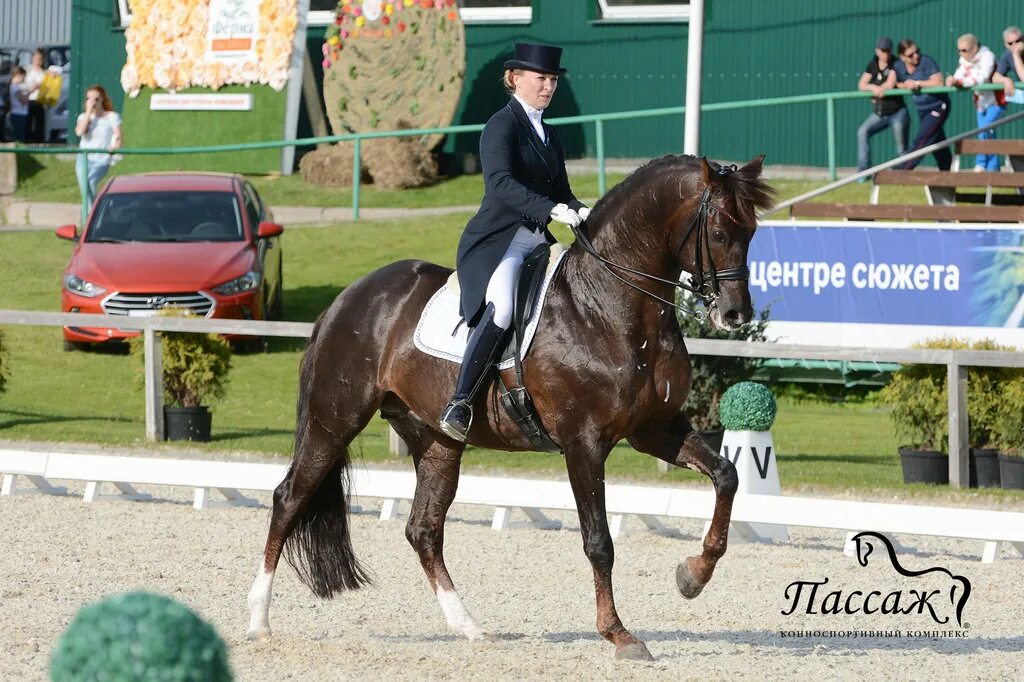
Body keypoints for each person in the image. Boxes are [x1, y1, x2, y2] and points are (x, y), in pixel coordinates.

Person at [438, 42, 590, 442]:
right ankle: (460, 400)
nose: (548, 86)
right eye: (541, 78)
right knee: (503, 306)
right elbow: (500, 185)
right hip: (499, 241)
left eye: (553, 80)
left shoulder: (550, 134)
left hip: (538, 239)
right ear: (515, 79)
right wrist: (550, 209)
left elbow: (562, 190)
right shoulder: (500, 126)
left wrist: (582, 211)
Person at [946, 33, 1005, 172]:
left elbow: (982, 79)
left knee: (983, 130)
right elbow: (958, 76)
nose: (961, 53)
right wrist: (952, 80)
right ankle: (993, 168)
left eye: (964, 50)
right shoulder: (964, 60)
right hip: (980, 102)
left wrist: (960, 82)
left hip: (997, 100)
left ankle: (981, 163)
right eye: (959, 50)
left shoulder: (987, 56)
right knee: (989, 133)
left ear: (975, 48)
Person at [893, 38, 952, 171]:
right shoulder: (898, 66)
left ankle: (904, 168)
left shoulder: (926, 61)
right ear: (902, 57)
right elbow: (896, 82)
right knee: (936, 140)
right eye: (910, 55)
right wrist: (904, 85)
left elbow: (939, 81)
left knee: (923, 138)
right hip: (922, 109)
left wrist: (917, 83)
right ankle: (946, 170)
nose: (916, 56)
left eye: (917, 52)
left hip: (938, 105)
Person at [856, 36, 909, 179]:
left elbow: (890, 84)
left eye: (888, 51)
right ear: (877, 51)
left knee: (902, 148)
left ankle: (906, 173)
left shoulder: (896, 63)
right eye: (883, 51)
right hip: (880, 113)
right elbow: (861, 85)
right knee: (862, 132)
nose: (885, 54)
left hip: (897, 112)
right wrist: (873, 88)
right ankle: (864, 171)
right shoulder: (872, 64)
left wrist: (879, 91)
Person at [74, 85, 122, 207]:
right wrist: (89, 113)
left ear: (102, 100)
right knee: (84, 186)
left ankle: (93, 214)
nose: (92, 102)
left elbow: (118, 136)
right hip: (84, 158)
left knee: (90, 182)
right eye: (89, 99)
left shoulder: (112, 116)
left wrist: (115, 147)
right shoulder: (83, 117)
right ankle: (91, 215)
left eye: (96, 99)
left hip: (102, 159)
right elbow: (80, 132)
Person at [992, 26, 1024, 103]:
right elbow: (995, 77)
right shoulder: (1007, 55)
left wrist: (1016, 55)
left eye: (1018, 41)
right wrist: (1006, 80)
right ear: (1006, 45)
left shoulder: (1014, 54)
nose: (1014, 45)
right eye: (1010, 43)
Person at [24, 48, 47, 143]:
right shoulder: (27, 69)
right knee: (27, 122)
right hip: (27, 100)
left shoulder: (44, 72)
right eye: (36, 58)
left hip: (39, 100)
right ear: (33, 58)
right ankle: (26, 141)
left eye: (40, 59)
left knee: (39, 122)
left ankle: (39, 142)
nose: (38, 61)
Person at [7, 67, 30, 142]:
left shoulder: (14, 86)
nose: (24, 79)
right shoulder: (15, 87)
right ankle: (18, 153)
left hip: (18, 114)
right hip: (18, 114)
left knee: (18, 136)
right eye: (23, 76)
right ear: (19, 75)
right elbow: (24, 100)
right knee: (19, 138)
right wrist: (30, 91)